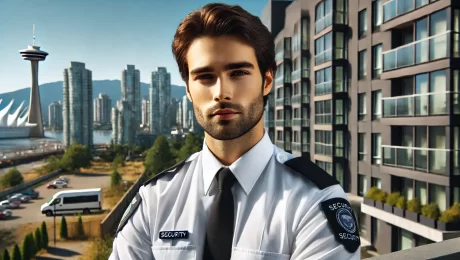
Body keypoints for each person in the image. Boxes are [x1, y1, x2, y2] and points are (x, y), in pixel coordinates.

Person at [110, 2, 361, 260]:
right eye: (205, 77)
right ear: (188, 90)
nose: (221, 93)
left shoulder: (315, 200)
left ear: (266, 81)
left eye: (238, 72)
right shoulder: (155, 198)